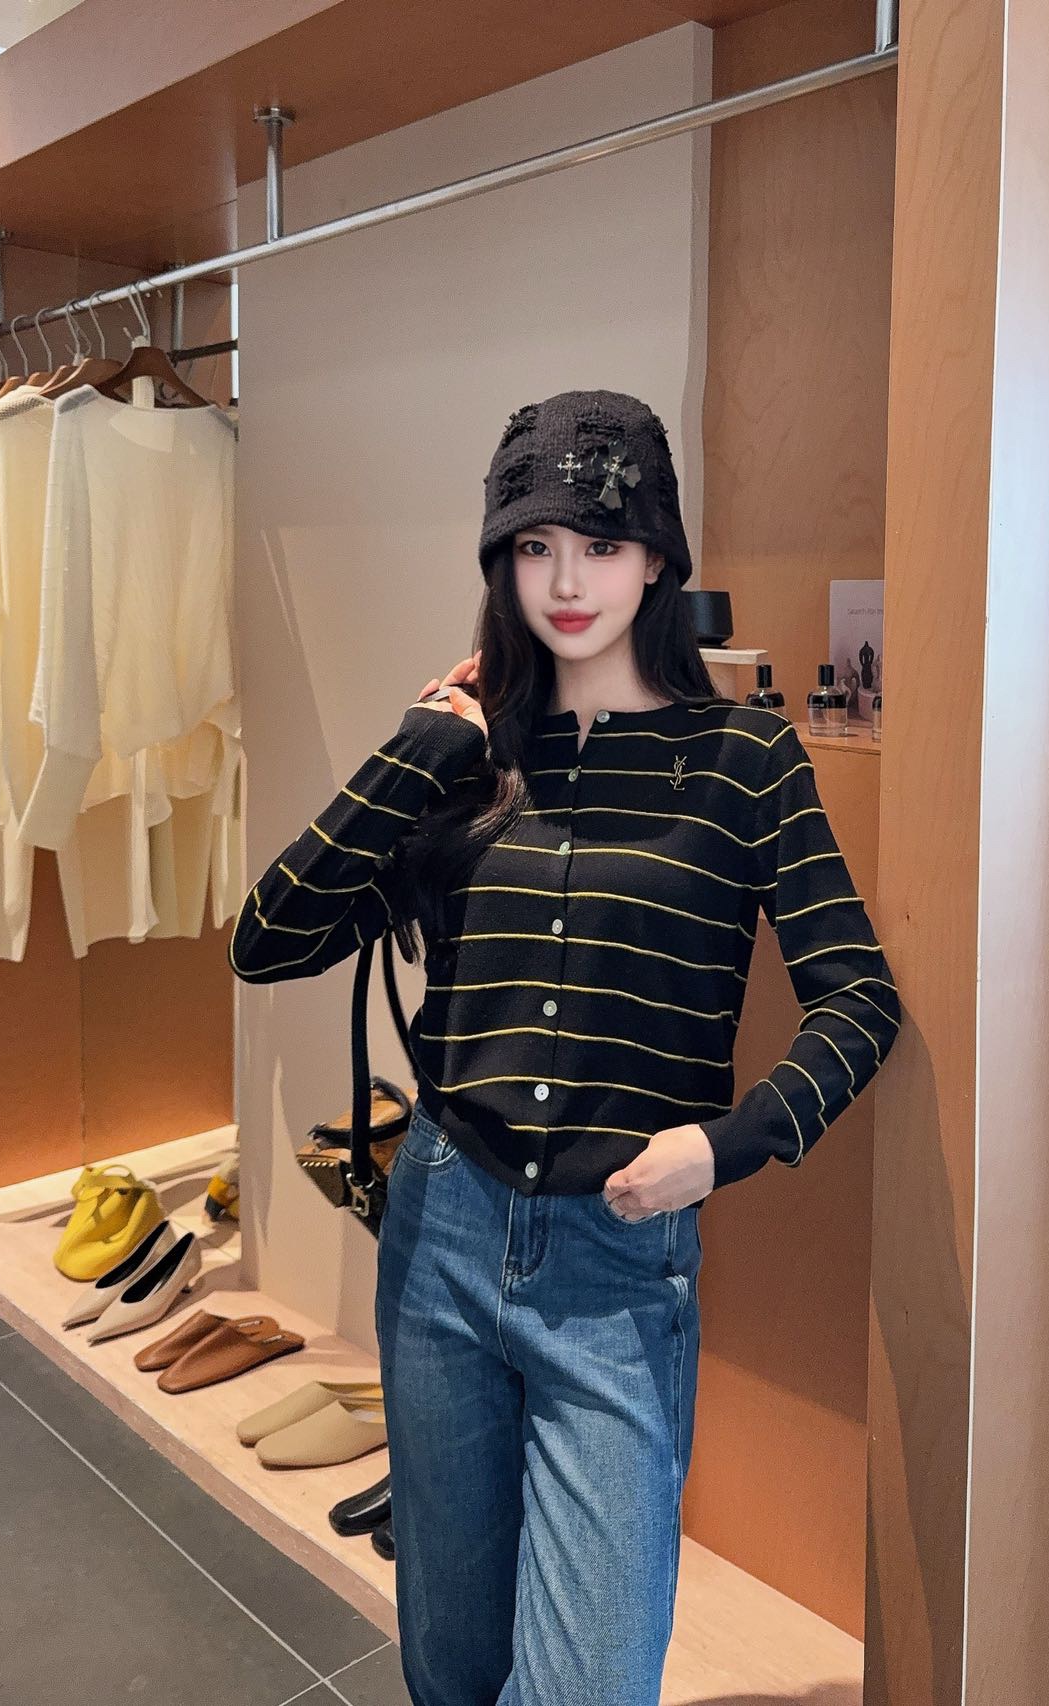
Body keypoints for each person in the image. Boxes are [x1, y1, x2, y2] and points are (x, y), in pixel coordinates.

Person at [228, 389, 902, 1706]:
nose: (568, 581)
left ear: (657, 557)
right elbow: (268, 938)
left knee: (588, 1678)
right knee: (453, 1662)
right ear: (501, 562)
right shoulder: (469, 758)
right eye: (533, 547)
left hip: (620, 1266)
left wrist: (726, 1146)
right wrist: (422, 746)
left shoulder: (745, 759)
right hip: (442, 1231)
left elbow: (858, 999)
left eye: (600, 543)